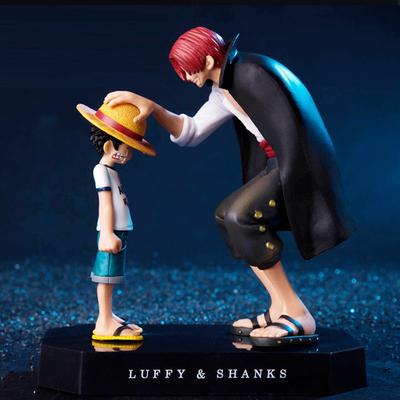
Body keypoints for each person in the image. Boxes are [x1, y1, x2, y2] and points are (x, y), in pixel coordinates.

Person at [103, 27, 352, 346]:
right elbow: (191, 132)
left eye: (188, 69)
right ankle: (279, 307)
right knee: (227, 216)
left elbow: (295, 127)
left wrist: (295, 176)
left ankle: (298, 313)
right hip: (275, 161)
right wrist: (152, 107)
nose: (186, 78)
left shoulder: (251, 73)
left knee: (241, 216)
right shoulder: (224, 90)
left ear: (208, 61)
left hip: (295, 161)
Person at [76, 101, 156, 341]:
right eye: (127, 149)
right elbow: (105, 204)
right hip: (111, 231)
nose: (129, 155)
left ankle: (108, 315)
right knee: (106, 276)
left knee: (112, 275)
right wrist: (107, 233)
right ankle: (103, 321)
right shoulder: (101, 171)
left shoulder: (111, 171)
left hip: (119, 229)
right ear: (110, 146)